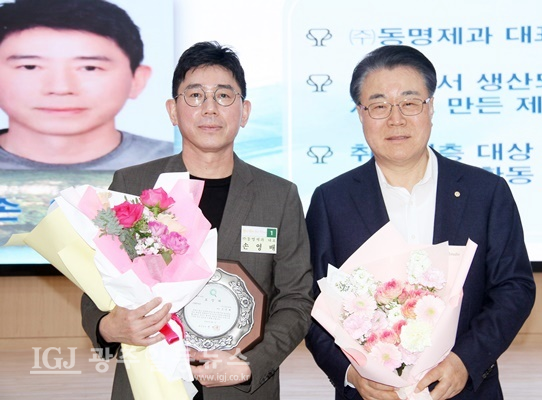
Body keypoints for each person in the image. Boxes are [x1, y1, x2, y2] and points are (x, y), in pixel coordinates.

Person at [81, 41, 314, 399]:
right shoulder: (132, 185)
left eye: (223, 95)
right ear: (173, 111)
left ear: (244, 111)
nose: (209, 108)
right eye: (194, 95)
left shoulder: (278, 196)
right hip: (150, 381)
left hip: (241, 387)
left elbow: (296, 299)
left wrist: (250, 364)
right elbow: (96, 280)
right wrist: (108, 327)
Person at [304, 45, 536, 400]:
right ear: (361, 114)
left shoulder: (486, 192)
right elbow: (308, 301)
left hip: (464, 391)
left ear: (431, 107)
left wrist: (465, 361)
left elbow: (514, 288)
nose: (395, 119)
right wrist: (350, 373)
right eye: (379, 106)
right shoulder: (331, 200)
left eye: (410, 103)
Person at [0, 0, 173, 170]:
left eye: (89, 68)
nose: (61, 88)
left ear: (137, 80)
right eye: (30, 67)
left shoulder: (180, 165)